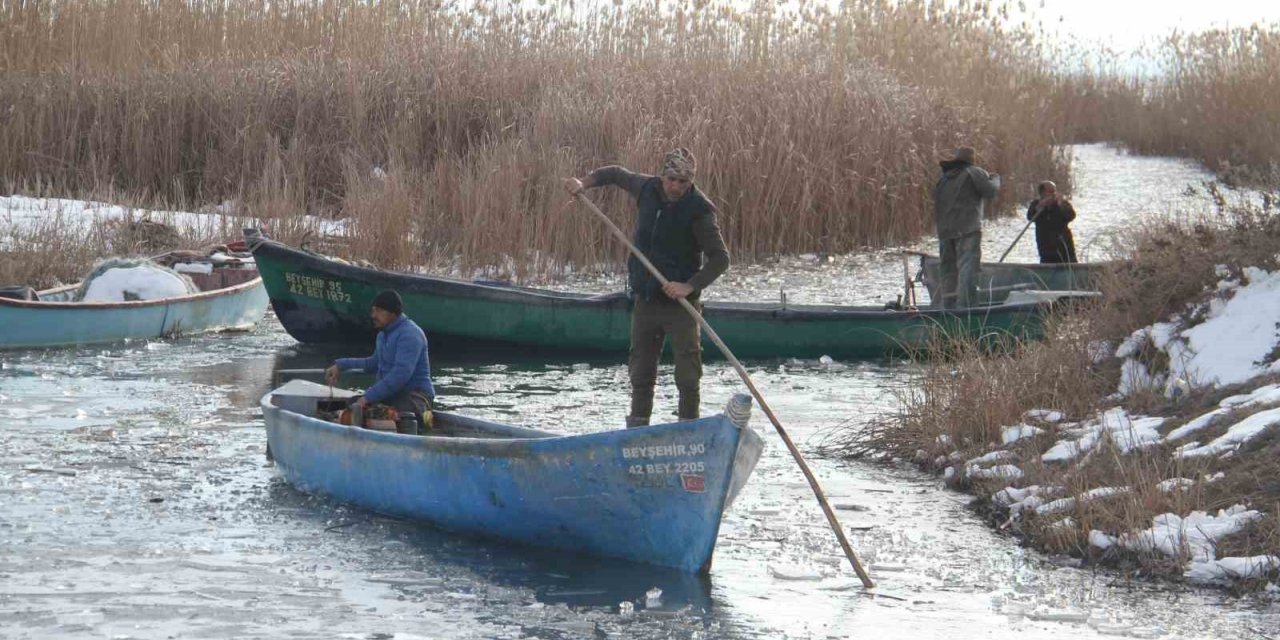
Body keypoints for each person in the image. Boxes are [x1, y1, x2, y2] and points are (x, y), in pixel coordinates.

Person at [564, 148, 730, 427]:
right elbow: (615, 173)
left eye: (683, 182)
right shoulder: (647, 188)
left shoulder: (700, 211)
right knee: (641, 373)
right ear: (663, 176)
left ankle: (688, 430)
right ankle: (638, 428)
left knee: (688, 376)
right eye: (671, 179)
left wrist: (689, 286)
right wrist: (584, 183)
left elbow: (721, 259)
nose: (675, 186)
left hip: (680, 306)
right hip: (646, 299)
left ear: (691, 182)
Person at [324, 289, 436, 428]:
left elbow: (400, 375)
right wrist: (340, 365)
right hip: (392, 395)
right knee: (337, 407)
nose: (373, 315)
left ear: (392, 313)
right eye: (372, 311)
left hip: (417, 397)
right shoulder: (382, 335)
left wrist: (368, 397)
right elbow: (373, 363)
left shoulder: (410, 335)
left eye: (377, 311)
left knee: (396, 415)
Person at [932, 146, 1000, 308]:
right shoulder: (974, 172)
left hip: (945, 232)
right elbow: (990, 192)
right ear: (971, 160)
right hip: (968, 230)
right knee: (967, 268)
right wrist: (996, 178)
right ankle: (967, 307)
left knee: (948, 270)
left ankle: (948, 306)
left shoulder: (944, 179)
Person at [1027, 180, 1078, 264]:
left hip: (1065, 248)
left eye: (1055, 191)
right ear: (1042, 193)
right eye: (1051, 192)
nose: (1054, 194)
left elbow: (1071, 216)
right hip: (1046, 250)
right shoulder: (1036, 204)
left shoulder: (1062, 203)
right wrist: (1040, 206)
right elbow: (1030, 217)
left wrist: (1060, 205)